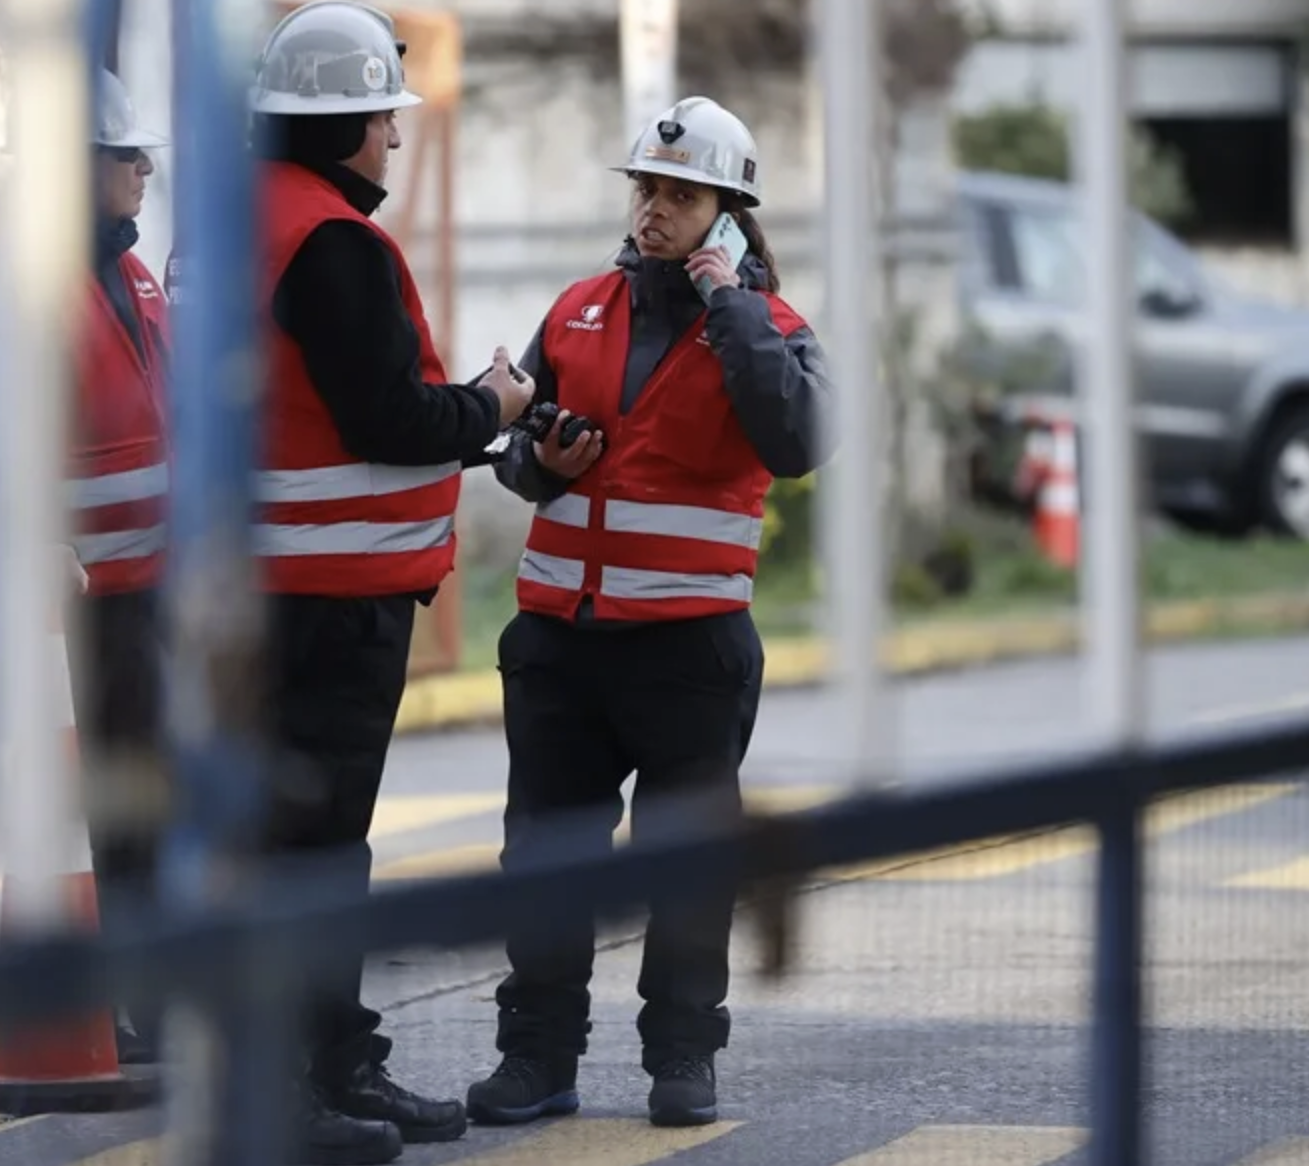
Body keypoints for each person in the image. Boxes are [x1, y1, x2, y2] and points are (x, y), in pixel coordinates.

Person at [463, 96, 835, 1131]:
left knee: (686, 865)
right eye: (645, 190)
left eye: (679, 195)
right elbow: (518, 449)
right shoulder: (579, 307)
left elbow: (798, 438)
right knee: (542, 856)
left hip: (686, 650)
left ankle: (681, 1058)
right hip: (558, 642)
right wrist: (542, 457)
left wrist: (731, 303)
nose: (652, 211)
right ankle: (534, 1056)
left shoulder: (772, 330)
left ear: (728, 211)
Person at [244, 3, 534, 1163]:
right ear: (343, 122)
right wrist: (496, 407)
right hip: (326, 605)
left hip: (266, 597)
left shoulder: (230, 226)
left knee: (290, 844)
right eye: (384, 119)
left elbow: (319, 411)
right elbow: (390, 417)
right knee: (312, 851)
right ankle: (298, 1085)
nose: (397, 141)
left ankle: (324, 1062)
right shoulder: (330, 242)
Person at [0, 68, 172, 1066]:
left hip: (137, 598)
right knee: (73, 813)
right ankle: (79, 1003)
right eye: (126, 157)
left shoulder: (125, 264)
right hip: (58, 600)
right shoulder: (0, 268)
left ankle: (144, 998)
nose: (145, 171)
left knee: (137, 808)